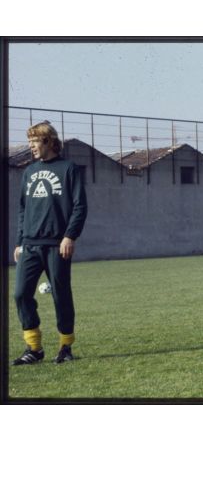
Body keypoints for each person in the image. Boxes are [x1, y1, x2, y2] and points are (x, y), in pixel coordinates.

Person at [12, 121, 88, 365]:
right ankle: (34, 348)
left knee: (61, 295)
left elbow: (80, 206)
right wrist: (19, 241)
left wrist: (70, 236)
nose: (31, 147)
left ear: (48, 141)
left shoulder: (69, 169)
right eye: (30, 142)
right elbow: (23, 209)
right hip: (30, 244)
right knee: (21, 293)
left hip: (58, 244)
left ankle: (66, 347)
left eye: (34, 142)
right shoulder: (29, 172)